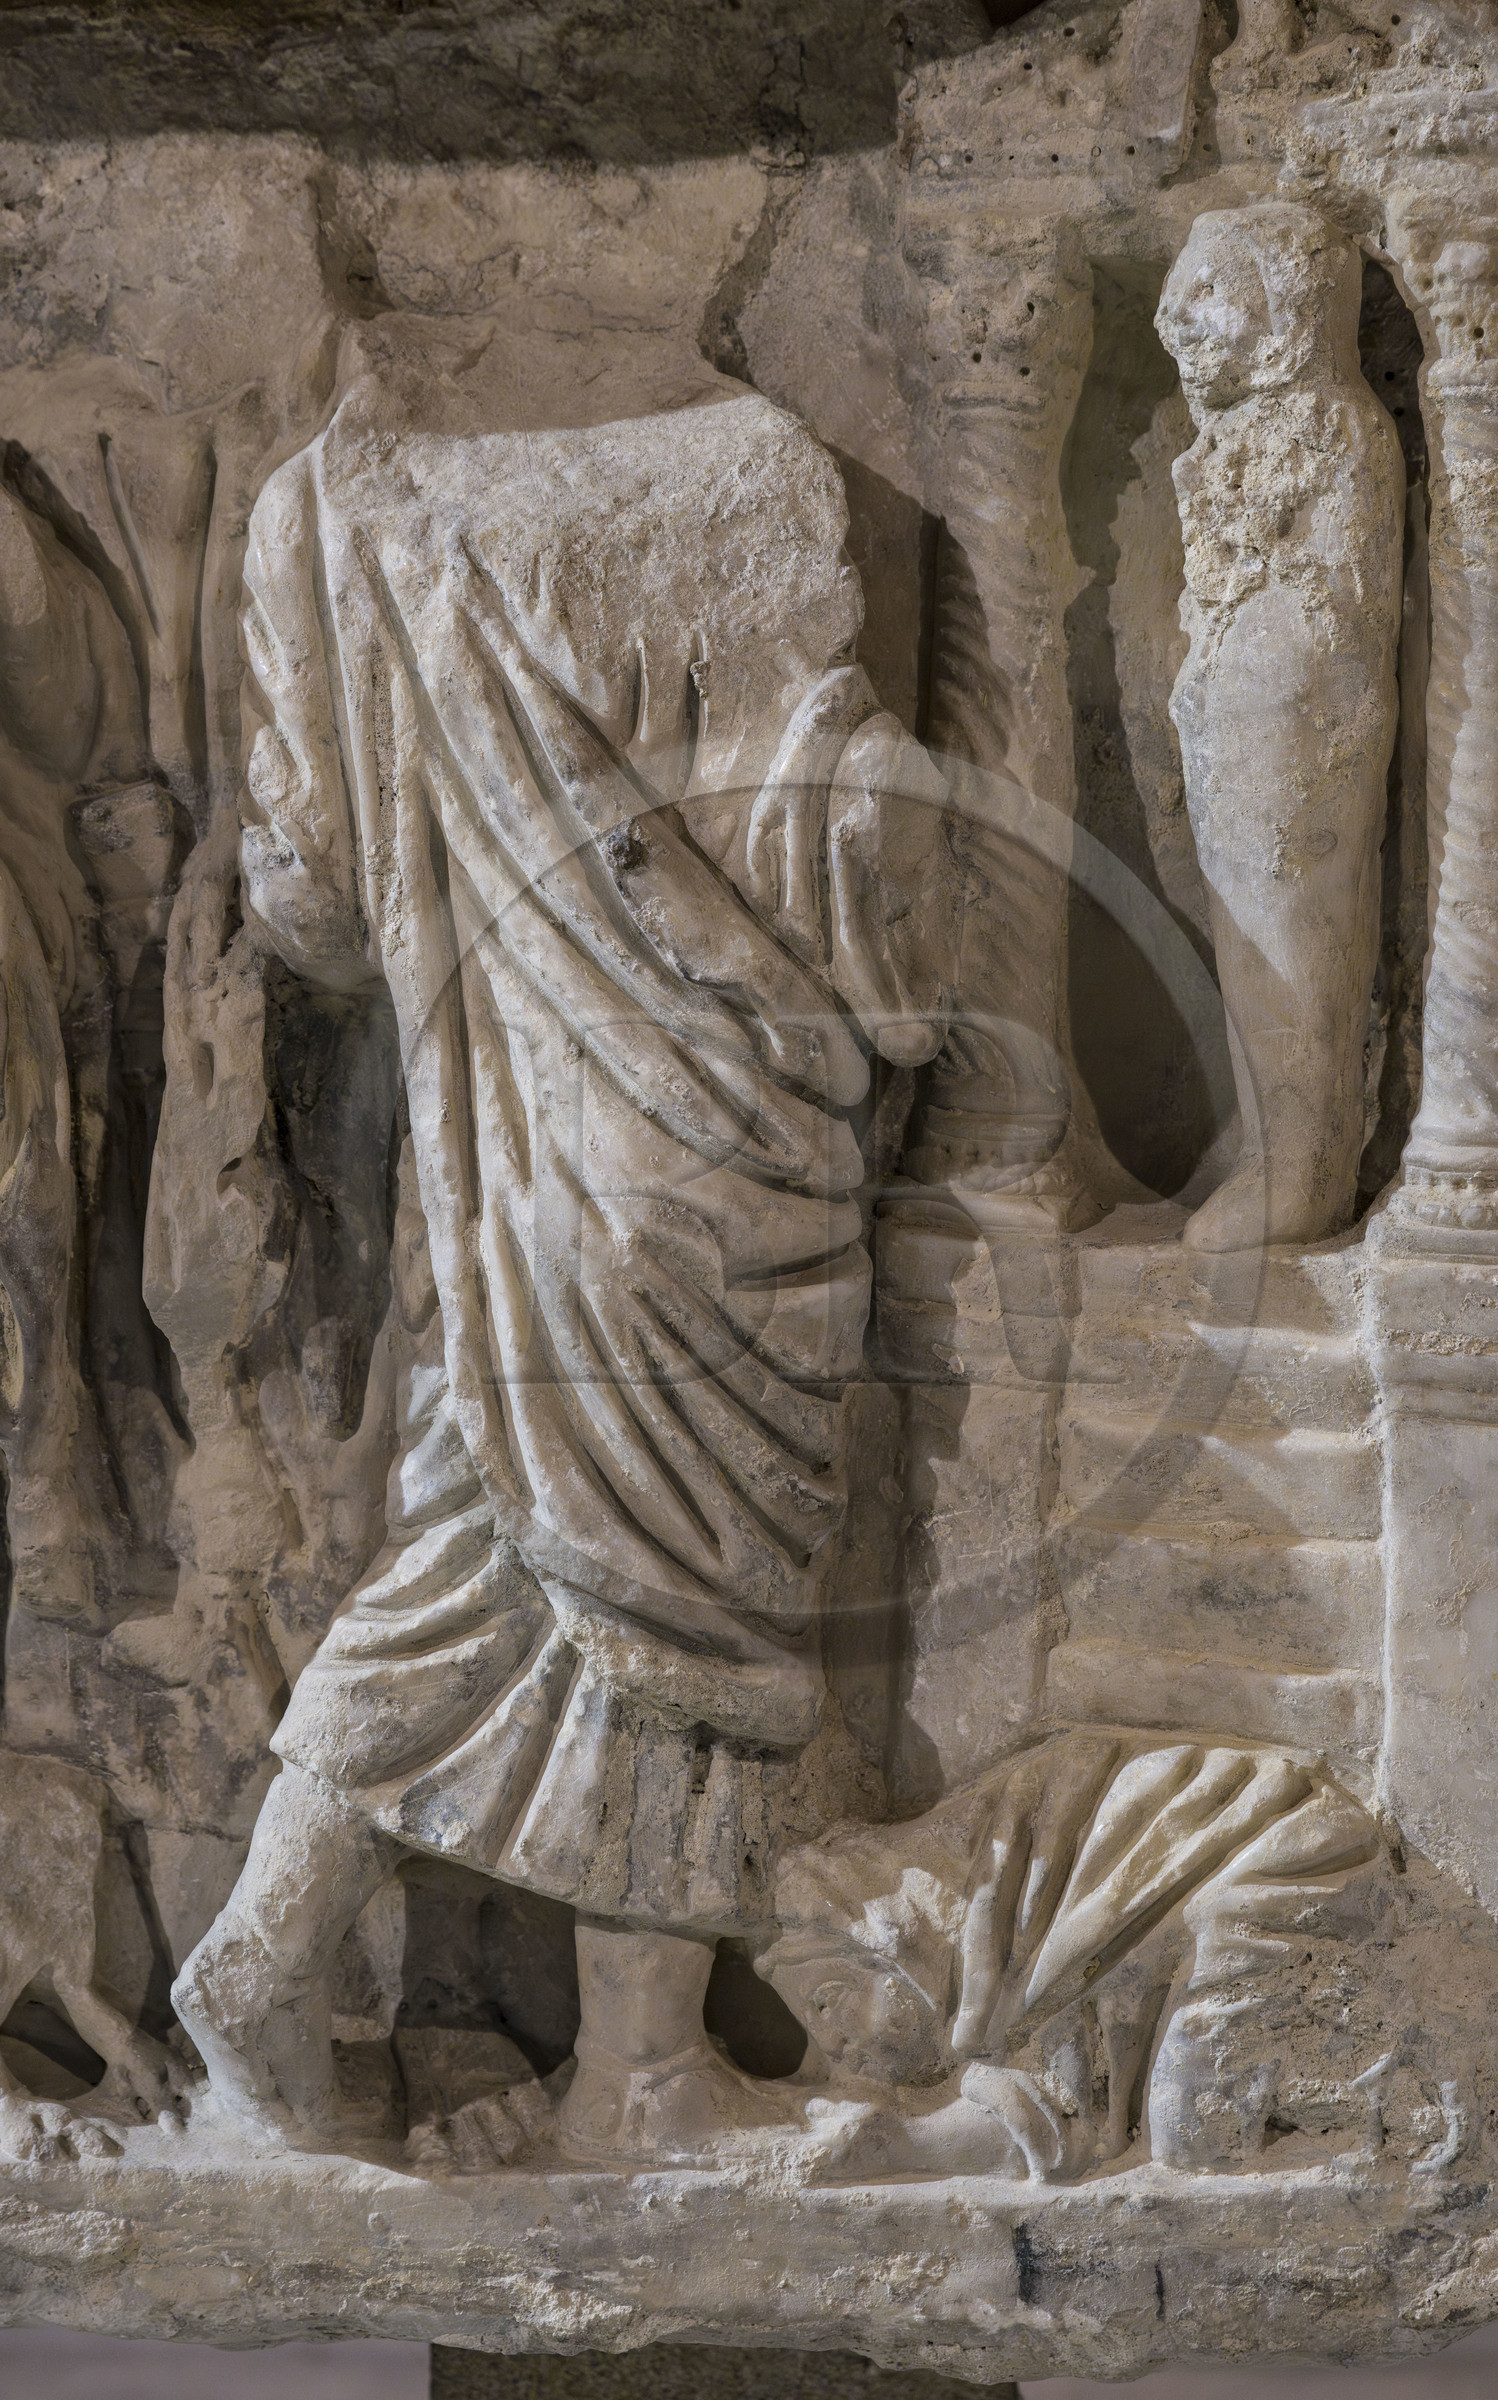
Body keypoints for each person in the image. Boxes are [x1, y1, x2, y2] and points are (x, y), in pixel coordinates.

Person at [173, 380, 956, 2164]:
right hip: (729, 1171)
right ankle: (641, 2076)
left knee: (489, 1549)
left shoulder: (341, 528)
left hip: (529, 1156)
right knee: (694, 1602)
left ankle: (272, 1942)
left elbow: (307, 896)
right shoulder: (776, 515)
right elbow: (886, 948)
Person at [1156, 203, 1405, 1251]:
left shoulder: (1338, 425)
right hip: (1237, 721)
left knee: (1295, 927)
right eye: (1180, 291)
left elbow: (1336, 614)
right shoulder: (1237, 437)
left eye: (1209, 288)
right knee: (1240, 931)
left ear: (1289, 305)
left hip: (1294, 734)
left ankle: (1305, 1168)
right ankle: (1269, 1151)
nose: (1177, 312)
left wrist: (1251, 681)